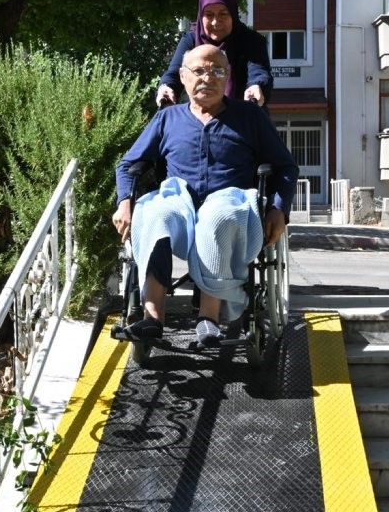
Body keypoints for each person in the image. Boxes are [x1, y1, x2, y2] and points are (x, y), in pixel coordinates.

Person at [114, 44, 298, 349]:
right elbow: (128, 164)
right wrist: (124, 202)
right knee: (156, 213)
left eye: (217, 71)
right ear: (183, 78)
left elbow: (285, 165)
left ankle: (208, 319)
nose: (208, 77)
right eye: (199, 70)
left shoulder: (249, 117)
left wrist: (279, 209)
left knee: (216, 215)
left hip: (231, 202)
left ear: (227, 78)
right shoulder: (167, 118)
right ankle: (151, 318)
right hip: (178, 200)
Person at [155, 0, 274, 108]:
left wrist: (256, 86)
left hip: (244, 117)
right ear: (201, 15)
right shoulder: (191, 40)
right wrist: (166, 87)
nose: (216, 22)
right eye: (209, 15)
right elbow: (174, 73)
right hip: (201, 119)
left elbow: (258, 72)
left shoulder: (251, 40)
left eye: (223, 14)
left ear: (233, 14)